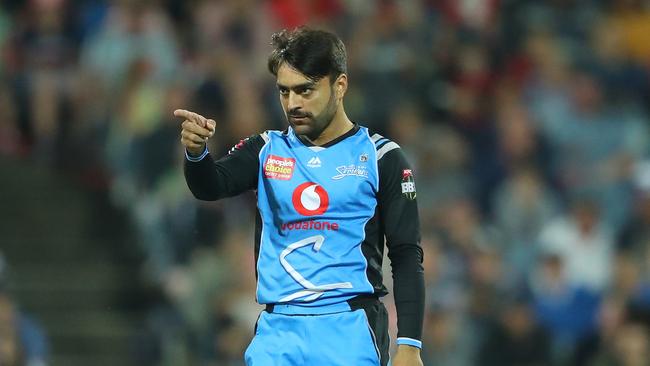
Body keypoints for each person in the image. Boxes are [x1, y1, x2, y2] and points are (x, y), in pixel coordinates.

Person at [175, 27, 424, 366]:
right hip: (278, 331)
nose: (293, 103)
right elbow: (209, 187)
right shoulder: (265, 151)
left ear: (340, 85)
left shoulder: (381, 157)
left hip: (349, 328)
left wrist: (409, 345)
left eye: (305, 90)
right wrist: (197, 152)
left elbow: (406, 254)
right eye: (284, 92)